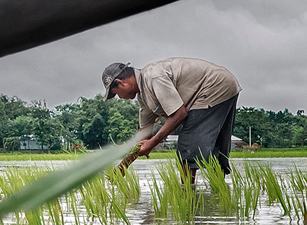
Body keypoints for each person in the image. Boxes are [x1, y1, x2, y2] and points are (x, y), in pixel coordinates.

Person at [101, 57, 241, 181]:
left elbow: (179, 114)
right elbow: (144, 134)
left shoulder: (153, 77)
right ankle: (218, 191)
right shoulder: (144, 97)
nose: (119, 97)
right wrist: (123, 166)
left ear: (121, 83)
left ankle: (186, 195)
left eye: (115, 94)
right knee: (214, 146)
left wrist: (153, 143)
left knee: (187, 143)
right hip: (225, 84)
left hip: (214, 85)